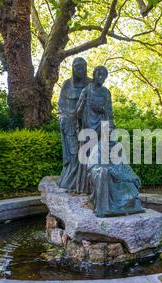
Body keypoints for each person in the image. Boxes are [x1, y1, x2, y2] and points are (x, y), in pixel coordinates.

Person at [75, 65, 114, 194]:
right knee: (86, 156)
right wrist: (84, 103)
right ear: (94, 74)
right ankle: (85, 187)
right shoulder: (86, 90)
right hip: (88, 127)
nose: (101, 77)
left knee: (100, 157)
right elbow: (77, 112)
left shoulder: (106, 92)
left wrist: (102, 110)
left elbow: (109, 111)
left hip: (101, 126)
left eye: (104, 75)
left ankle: (98, 189)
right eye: (99, 74)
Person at [57, 57, 91, 190]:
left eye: (82, 67)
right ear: (73, 69)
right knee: (74, 155)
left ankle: (87, 183)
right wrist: (65, 119)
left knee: (88, 154)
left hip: (87, 124)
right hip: (70, 124)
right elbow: (61, 107)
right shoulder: (67, 85)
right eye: (77, 67)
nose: (80, 70)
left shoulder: (91, 84)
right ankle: (71, 182)